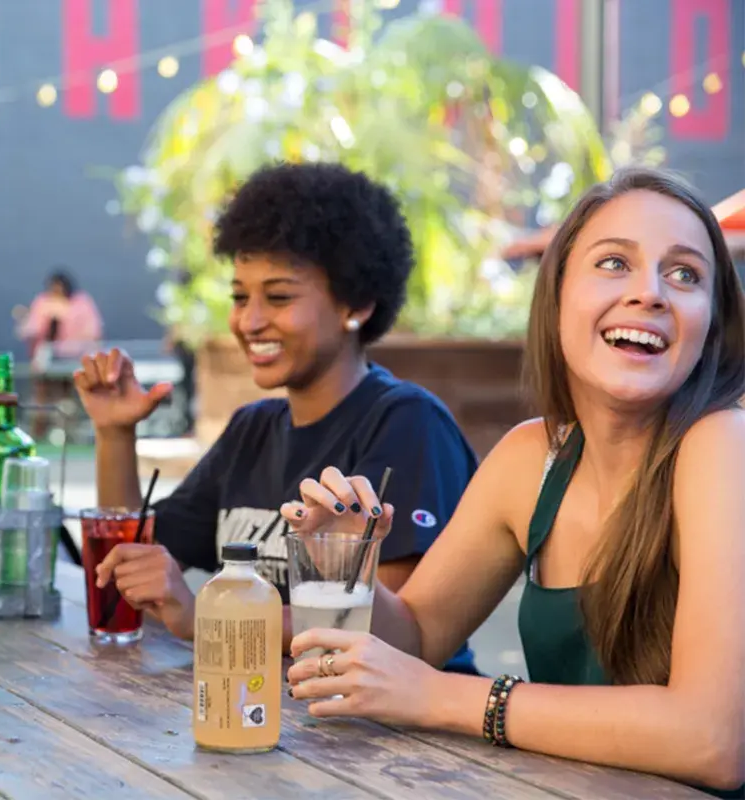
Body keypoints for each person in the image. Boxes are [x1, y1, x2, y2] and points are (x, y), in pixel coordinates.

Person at [282, 168, 745, 799]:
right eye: (614, 263)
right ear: (556, 300)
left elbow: (712, 741)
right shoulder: (534, 457)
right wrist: (345, 566)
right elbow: (416, 637)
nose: (651, 293)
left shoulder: (723, 444)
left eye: (685, 274)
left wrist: (447, 697)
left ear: (711, 326)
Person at [75, 162, 480, 672]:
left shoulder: (408, 425)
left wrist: (210, 618)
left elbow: (388, 631)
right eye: (240, 296)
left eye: (279, 297)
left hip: (396, 736)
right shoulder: (253, 428)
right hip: (265, 715)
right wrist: (115, 432)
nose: (250, 320)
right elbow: (138, 571)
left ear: (354, 304)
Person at [16, 268, 103, 438]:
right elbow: (31, 328)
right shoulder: (43, 303)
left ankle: (69, 430)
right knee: (43, 397)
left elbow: (92, 331)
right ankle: (40, 430)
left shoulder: (82, 303)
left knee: (69, 398)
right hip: (46, 363)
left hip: (73, 362)